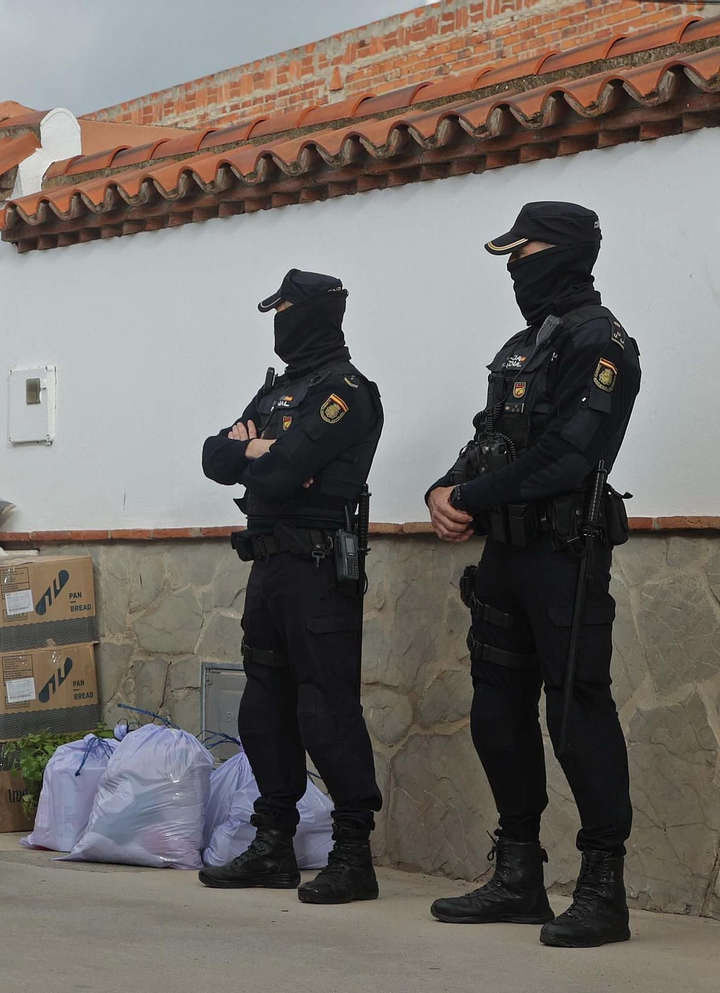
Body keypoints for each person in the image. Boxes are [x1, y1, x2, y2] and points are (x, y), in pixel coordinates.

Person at [425, 203, 639, 948]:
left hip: (564, 557)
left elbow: (569, 456)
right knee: (496, 713)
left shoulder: (600, 341)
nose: (515, 266)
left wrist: (470, 498)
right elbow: (491, 441)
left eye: (526, 251)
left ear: (566, 253)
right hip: (506, 559)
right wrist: (441, 489)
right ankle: (518, 876)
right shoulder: (523, 347)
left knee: (576, 715)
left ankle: (603, 890)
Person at [198, 270, 384, 905]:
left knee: (325, 710)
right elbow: (213, 457)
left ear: (314, 315)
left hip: (320, 569)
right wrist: (250, 453)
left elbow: (278, 473)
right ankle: (273, 844)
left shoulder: (346, 391)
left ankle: (354, 854)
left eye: (284, 311)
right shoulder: (279, 391)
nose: (277, 323)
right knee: (264, 708)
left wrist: (254, 454)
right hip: (269, 567)